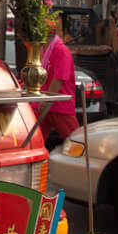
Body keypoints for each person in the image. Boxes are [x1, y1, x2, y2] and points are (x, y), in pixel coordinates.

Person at [35, 13, 80, 141]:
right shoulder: (43, 49)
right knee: (34, 141)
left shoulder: (61, 50)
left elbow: (59, 79)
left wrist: (46, 100)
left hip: (59, 104)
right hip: (44, 103)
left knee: (75, 142)